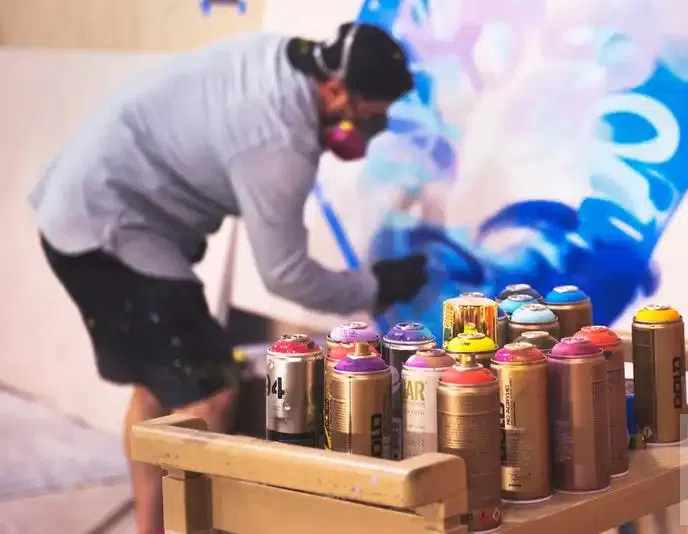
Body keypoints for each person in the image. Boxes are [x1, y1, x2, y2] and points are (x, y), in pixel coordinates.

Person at [28, 23, 428, 534]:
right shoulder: (279, 143)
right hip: (107, 228)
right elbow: (284, 274)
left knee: (158, 387)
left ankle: (151, 528)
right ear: (334, 89)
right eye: (366, 116)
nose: (369, 129)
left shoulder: (279, 56)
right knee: (209, 396)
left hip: (84, 201)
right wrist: (375, 287)